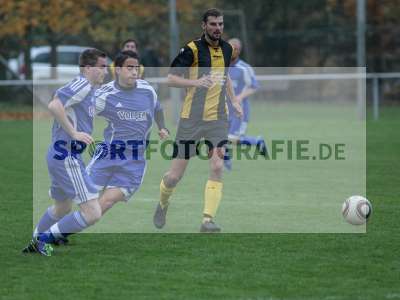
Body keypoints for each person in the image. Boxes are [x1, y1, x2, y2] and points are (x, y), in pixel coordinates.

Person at [152, 8, 243, 233]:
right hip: (191, 120)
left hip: (218, 119)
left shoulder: (227, 48)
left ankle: (207, 220)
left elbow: (225, 76)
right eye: (212, 24)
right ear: (204, 25)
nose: (217, 28)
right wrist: (196, 83)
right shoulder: (191, 49)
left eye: (220, 24)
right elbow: (171, 78)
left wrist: (234, 101)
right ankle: (163, 203)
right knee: (174, 177)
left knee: (217, 165)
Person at [23, 48, 108, 256]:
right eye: (102, 66)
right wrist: (74, 132)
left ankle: (37, 240)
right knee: (93, 213)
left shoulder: (88, 88)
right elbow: (54, 104)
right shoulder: (82, 84)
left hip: (59, 155)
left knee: (62, 208)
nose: (105, 70)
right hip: (66, 157)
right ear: (88, 68)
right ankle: (42, 240)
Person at [87, 50, 169, 214]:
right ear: (117, 69)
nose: (134, 71)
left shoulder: (147, 90)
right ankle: (57, 230)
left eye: (136, 68)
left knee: (105, 203)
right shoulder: (104, 95)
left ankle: (61, 233)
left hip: (134, 160)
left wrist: (162, 127)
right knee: (85, 197)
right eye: (129, 68)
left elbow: (158, 108)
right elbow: (84, 111)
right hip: (108, 154)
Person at [224, 38, 267, 170]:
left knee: (231, 138)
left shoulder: (244, 68)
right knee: (221, 138)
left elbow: (254, 87)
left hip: (240, 111)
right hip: (224, 109)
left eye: (234, 48)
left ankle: (257, 141)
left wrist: (239, 97)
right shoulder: (222, 67)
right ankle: (227, 163)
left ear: (238, 51)